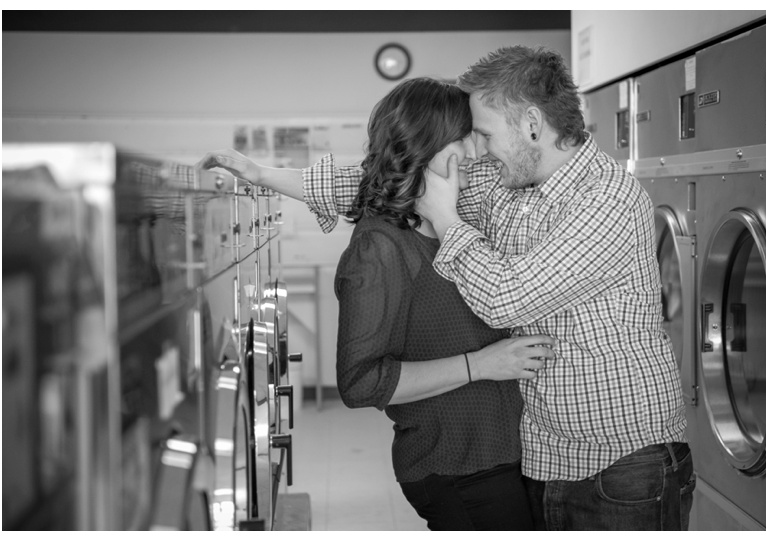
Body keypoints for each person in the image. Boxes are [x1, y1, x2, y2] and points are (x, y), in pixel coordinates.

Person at [200, 45, 696, 531]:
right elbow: (400, 178)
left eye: (484, 133)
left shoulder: (607, 197)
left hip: (625, 461)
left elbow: (509, 295)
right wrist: (262, 175)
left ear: (530, 123)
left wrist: (445, 218)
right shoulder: (507, 182)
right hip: (549, 454)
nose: (477, 149)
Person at [198, 77, 554, 531]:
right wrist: (481, 364)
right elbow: (360, 383)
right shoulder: (380, 248)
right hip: (456, 467)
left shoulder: (455, 217)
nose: (477, 151)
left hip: (505, 454)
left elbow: (365, 183)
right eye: (469, 137)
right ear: (429, 144)